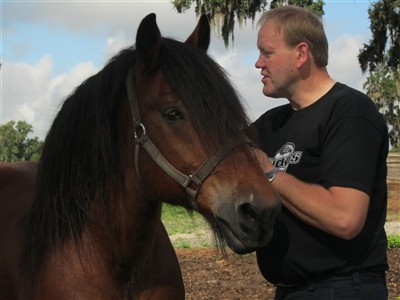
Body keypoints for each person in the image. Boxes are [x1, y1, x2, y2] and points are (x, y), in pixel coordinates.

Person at [248, 5, 389, 300]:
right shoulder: (268, 126)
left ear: (301, 54)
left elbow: (345, 218)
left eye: (267, 52)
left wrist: (270, 173)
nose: (258, 63)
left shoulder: (349, 113)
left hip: (343, 287)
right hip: (288, 291)